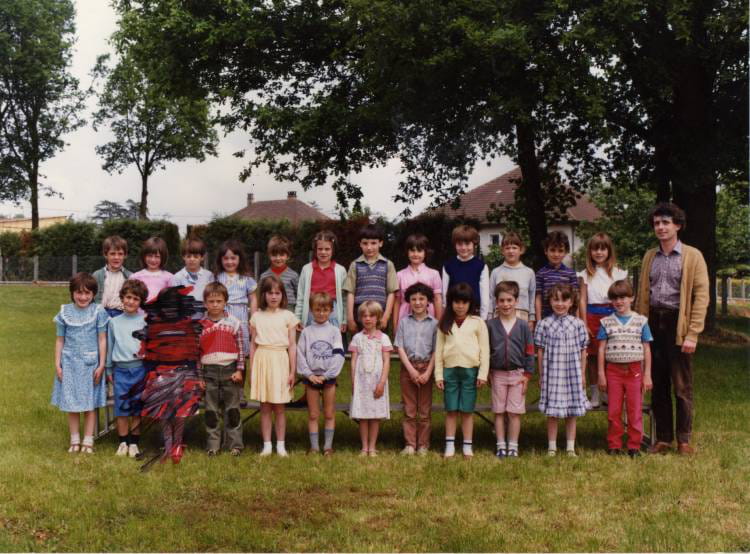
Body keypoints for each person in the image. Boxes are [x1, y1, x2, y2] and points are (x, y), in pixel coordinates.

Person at [635, 203, 709, 456]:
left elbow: (701, 297)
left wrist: (692, 334)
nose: (661, 227)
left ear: (677, 225)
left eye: (666, 222)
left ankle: (683, 440)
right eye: (657, 223)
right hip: (653, 324)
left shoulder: (693, 256)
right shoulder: (649, 256)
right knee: (657, 383)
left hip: (678, 325)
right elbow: (642, 295)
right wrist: (639, 328)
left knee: (681, 386)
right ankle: (664, 438)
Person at [51, 272, 109, 454]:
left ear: (93, 294)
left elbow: (102, 339)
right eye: (79, 292)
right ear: (72, 293)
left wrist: (101, 364)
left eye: (87, 293)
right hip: (69, 363)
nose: (83, 297)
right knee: (72, 403)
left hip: (91, 364)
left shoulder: (98, 312)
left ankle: (88, 440)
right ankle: (74, 439)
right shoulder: (65, 312)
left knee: (89, 403)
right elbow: (60, 340)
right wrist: (58, 364)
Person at [597, 280, 653, 457]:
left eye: (623, 298)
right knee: (614, 410)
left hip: (634, 371)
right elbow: (601, 349)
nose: (619, 302)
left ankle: (634, 446)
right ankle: (614, 444)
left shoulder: (641, 321)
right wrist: (601, 374)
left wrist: (647, 375)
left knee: (634, 409)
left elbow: (646, 349)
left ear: (632, 298)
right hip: (613, 372)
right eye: (615, 298)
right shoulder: (606, 322)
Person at [435, 282, 489, 459]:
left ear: (470, 303)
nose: (460, 306)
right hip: (449, 371)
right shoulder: (444, 323)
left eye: (464, 302)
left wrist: (482, 374)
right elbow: (438, 351)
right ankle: (450, 445)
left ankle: (467, 446)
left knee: (467, 411)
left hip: (470, 372)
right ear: (451, 302)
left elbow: (485, 350)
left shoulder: (478, 322)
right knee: (451, 410)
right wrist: (439, 375)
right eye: (456, 302)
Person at [534, 283, 589, 457]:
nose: (560, 304)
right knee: (553, 412)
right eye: (555, 300)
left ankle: (570, 447)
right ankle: (552, 447)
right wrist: (541, 375)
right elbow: (540, 351)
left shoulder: (578, 324)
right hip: (553, 373)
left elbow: (584, 350)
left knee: (571, 412)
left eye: (564, 300)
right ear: (550, 301)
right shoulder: (544, 324)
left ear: (571, 302)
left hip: (572, 372)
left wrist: (582, 374)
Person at [249, 275, 300, 456]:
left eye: (277, 293)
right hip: (262, 359)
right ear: (263, 295)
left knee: (279, 407)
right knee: (265, 407)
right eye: (270, 293)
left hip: (280, 361)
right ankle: (267, 445)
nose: (273, 296)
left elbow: (292, 345)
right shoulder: (256, 316)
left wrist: (292, 371)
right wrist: (252, 369)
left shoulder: (288, 316)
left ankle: (280, 445)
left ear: (283, 295)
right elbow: (253, 344)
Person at [577, 233, 628, 407]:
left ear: (609, 251)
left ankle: (608, 391)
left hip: (613, 317)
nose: (599, 252)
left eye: (603, 249)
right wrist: (584, 323)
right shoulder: (585, 274)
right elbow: (582, 300)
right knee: (592, 356)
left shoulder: (618, 273)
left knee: (610, 355)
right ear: (590, 252)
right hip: (592, 317)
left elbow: (623, 298)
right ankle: (595, 393)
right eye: (595, 249)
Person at [487, 281, 535, 458]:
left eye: (509, 300)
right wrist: (487, 372)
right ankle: (500, 444)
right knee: (499, 411)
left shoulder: (523, 326)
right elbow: (485, 350)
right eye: (502, 300)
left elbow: (530, 351)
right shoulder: (490, 325)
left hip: (517, 374)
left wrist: (527, 375)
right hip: (497, 374)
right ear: (496, 302)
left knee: (514, 412)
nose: (506, 304)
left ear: (516, 301)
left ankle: (513, 445)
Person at [199, 282, 245, 456]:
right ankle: (213, 445)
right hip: (209, 372)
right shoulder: (200, 325)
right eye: (211, 301)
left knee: (232, 410)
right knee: (211, 411)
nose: (215, 305)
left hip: (230, 371)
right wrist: (199, 377)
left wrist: (239, 370)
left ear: (225, 302)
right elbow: (197, 353)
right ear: (205, 303)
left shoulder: (234, 322)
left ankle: (235, 445)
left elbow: (240, 349)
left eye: (219, 301)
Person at [296, 292, 345, 455]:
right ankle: (314, 447)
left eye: (325, 310)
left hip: (328, 378)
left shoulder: (334, 331)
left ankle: (328, 447)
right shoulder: (306, 332)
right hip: (311, 378)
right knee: (313, 414)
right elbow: (300, 354)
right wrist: (309, 374)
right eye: (317, 310)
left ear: (331, 310)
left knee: (329, 413)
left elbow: (339, 355)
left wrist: (327, 375)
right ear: (311, 310)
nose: (321, 313)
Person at [105, 279, 148, 458]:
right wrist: (109, 369)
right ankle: (123, 442)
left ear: (141, 302)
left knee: (137, 407)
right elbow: (110, 346)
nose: (131, 301)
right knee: (121, 407)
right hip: (120, 371)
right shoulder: (114, 322)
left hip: (140, 369)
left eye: (135, 299)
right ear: (122, 297)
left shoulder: (145, 321)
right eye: (128, 297)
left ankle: (134, 443)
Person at [394, 282, 438, 455]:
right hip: (408, 367)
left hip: (427, 367)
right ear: (408, 301)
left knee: (425, 410)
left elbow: (436, 350)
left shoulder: (434, 324)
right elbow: (400, 347)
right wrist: (411, 370)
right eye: (414, 299)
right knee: (409, 409)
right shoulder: (404, 323)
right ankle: (410, 444)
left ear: (428, 301)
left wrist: (428, 372)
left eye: (421, 299)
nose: (418, 302)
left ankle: (423, 445)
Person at [348, 301, 393, 456]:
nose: (367, 319)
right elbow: (353, 361)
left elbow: (386, 361)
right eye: (364, 316)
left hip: (376, 382)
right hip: (361, 382)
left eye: (371, 315)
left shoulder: (384, 338)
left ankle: (372, 447)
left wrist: (382, 383)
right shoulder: (357, 338)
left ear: (378, 317)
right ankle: (364, 447)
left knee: (374, 416)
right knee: (363, 416)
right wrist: (353, 381)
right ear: (360, 318)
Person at [343, 223, 399, 333]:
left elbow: (391, 292)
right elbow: (350, 292)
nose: (369, 247)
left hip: (379, 313)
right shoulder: (355, 265)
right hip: (360, 314)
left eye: (373, 243)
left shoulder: (388, 265)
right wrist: (350, 318)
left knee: (379, 342)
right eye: (365, 243)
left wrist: (386, 316)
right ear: (360, 244)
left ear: (380, 243)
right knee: (360, 342)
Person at [214, 239, 257, 364]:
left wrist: (253, 320)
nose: (229, 262)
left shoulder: (246, 278)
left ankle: (240, 373)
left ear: (239, 259)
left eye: (233, 258)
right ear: (221, 260)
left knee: (241, 350)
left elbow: (253, 299)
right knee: (224, 348)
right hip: (223, 317)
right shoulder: (216, 277)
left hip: (241, 318)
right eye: (226, 258)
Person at [295, 230, 348, 332]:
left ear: (333, 250)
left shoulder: (340, 270)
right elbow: (301, 296)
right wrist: (297, 317)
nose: (323, 252)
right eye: (320, 249)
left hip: (333, 312)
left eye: (327, 249)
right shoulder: (307, 269)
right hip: (311, 311)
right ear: (315, 250)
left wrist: (345, 320)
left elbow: (344, 298)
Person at [393, 233, 443, 332]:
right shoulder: (400, 275)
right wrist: (395, 326)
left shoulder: (434, 274)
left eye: (419, 251)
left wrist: (438, 323)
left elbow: (437, 299)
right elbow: (397, 301)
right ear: (407, 252)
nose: (415, 254)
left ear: (425, 252)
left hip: (428, 317)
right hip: (405, 317)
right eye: (412, 250)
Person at [442, 225, 491, 320]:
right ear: (455, 245)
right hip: (453, 313)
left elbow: (484, 295)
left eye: (467, 244)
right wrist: (446, 315)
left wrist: (483, 318)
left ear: (474, 244)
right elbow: (445, 294)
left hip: (474, 314)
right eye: (460, 244)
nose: (463, 247)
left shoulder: (481, 266)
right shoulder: (448, 266)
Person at [488, 231, 535, 326]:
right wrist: (490, 317)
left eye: (514, 248)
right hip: (499, 316)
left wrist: (531, 318)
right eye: (507, 248)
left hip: (522, 316)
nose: (511, 251)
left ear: (521, 250)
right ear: (502, 251)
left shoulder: (529, 272)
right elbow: (491, 297)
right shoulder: (496, 272)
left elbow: (532, 296)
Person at [535, 231, 578, 321]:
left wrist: (577, 320)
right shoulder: (541, 274)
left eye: (560, 251)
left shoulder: (570, 274)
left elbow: (575, 298)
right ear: (546, 251)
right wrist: (539, 321)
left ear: (566, 252)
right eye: (552, 250)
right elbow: (538, 298)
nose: (556, 254)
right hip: (546, 319)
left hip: (567, 319)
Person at [171, 237, 213, 319]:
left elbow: (212, 297)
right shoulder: (177, 277)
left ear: (202, 257)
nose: (192, 259)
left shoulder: (209, 276)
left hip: (205, 319)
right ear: (183, 257)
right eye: (188, 256)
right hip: (184, 319)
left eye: (196, 256)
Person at [92, 235, 133, 317]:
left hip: (122, 314)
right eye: (112, 254)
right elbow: (91, 297)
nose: (116, 257)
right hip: (101, 313)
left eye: (120, 254)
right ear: (105, 254)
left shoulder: (130, 277)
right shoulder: (97, 275)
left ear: (125, 255)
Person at [259, 235, 300, 314]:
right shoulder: (264, 276)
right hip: (269, 312)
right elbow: (261, 297)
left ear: (287, 256)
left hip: (289, 310)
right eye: (274, 255)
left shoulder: (293, 275)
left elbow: (299, 297)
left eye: (281, 255)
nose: (278, 258)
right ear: (269, 255)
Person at [132, 236, 174, 302]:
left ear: (163, 257)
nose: (153, 260)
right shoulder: (135, 277)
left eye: (157, 256)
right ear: (144, 256)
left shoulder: (170, 278)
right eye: (150, 256)